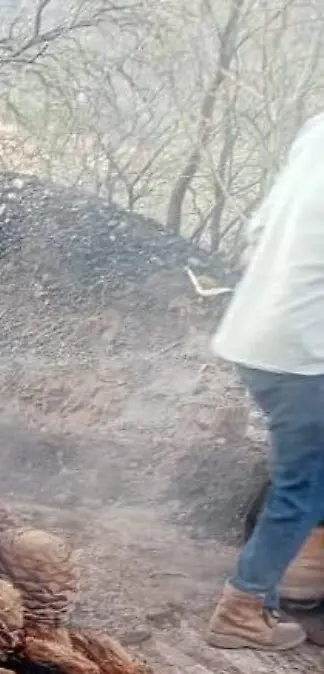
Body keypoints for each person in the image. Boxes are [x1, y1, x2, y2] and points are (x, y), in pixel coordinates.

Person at [206, 112, 324, 651]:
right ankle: (243, 607)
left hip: (255, 336)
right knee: (303, 484)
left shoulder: (317, 130)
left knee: (297, 471)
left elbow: (256, 232)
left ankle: (289, 578)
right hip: (304, 351)